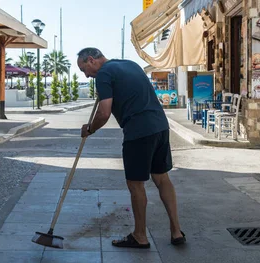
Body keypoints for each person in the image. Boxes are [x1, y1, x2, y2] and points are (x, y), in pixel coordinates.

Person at [76, 47, 185, 248]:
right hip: (160, 126)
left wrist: (90, 129)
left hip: (138, 132)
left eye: (84, 70)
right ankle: (176, 231)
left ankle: (140, 236)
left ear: (91, 60)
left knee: (136, 184)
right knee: (162, 178)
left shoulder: (104, 74)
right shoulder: (130, 64)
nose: (87, 75)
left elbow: (104, 112)